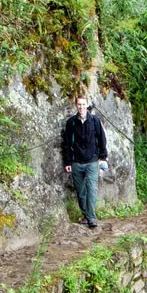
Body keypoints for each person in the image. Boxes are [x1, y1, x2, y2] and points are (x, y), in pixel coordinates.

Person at [61, 94, 108, 228]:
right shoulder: (71, 122)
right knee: (80, 191)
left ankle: (91, 218)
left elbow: (102, 138)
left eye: (83, 104)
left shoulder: (94, 120)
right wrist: (68, 162)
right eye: (79, 104)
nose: (81, 107)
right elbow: (67, 143)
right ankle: (86, 215)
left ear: (87, 105)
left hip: (92, 161)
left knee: (91, 189)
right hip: (76, 162)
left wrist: (103, 156)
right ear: (76, 105)